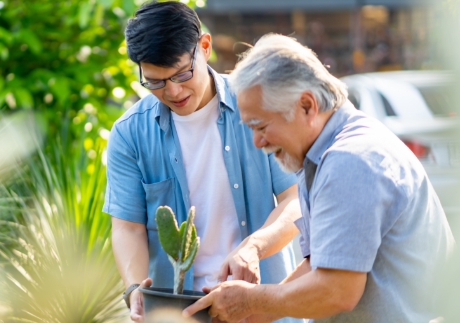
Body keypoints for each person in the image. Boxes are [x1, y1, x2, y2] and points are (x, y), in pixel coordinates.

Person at [184, 33, 456, 323]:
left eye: (260, 126)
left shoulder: (349, 160)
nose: (256, 142)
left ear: (307, 106)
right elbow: (324, 265)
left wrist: (248, 299)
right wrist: (246, 312)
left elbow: (336, 290)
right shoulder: (322, 154)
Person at [103, 3, 303, 323]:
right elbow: (127, 226)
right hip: (177, 312)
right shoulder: (129, 134)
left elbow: (295, 200)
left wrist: (254, 247)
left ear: (205, 47)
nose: (173, 91)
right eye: (155, 82)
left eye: (182, 74)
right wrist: (134, 288)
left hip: (261, 306)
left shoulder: (256, 105)